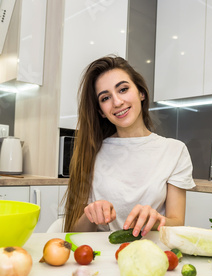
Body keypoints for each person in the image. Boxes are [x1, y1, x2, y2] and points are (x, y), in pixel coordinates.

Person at [63, 55, 195, 237]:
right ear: (101, 111)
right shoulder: (91, 152)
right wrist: (91, 215)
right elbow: (73, 233)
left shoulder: (174, 151)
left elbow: (177, 224)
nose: (117, 102)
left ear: (141, 93)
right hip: (101, 258)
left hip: (153, 254)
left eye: (123, 89)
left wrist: (155, 220)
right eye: (105, 98)